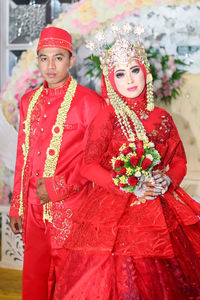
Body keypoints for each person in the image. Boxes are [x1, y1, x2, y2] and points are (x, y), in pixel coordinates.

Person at [53, 24, 200, 300]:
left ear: (145, 71)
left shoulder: (163, 117)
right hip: (114, 208)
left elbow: (178, 161)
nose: (130, 80)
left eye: (134, 70)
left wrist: (167, 179)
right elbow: (88, 165)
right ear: (111, 81)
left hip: (160, 205)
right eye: (120, 74)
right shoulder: (106, 118)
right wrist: (128, 187)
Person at [9, 26, 105, 300]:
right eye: (44, 58)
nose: (50, 66)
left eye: (59, 57)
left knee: (69, 280)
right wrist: (18, 205)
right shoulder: (28, 101)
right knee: (35, 277)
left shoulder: (90, 103)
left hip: (72, 208)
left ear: (71, 60)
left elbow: (97, 161)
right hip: (33, 208)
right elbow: (23, 154)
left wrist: (57, 187)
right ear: (37, 59)